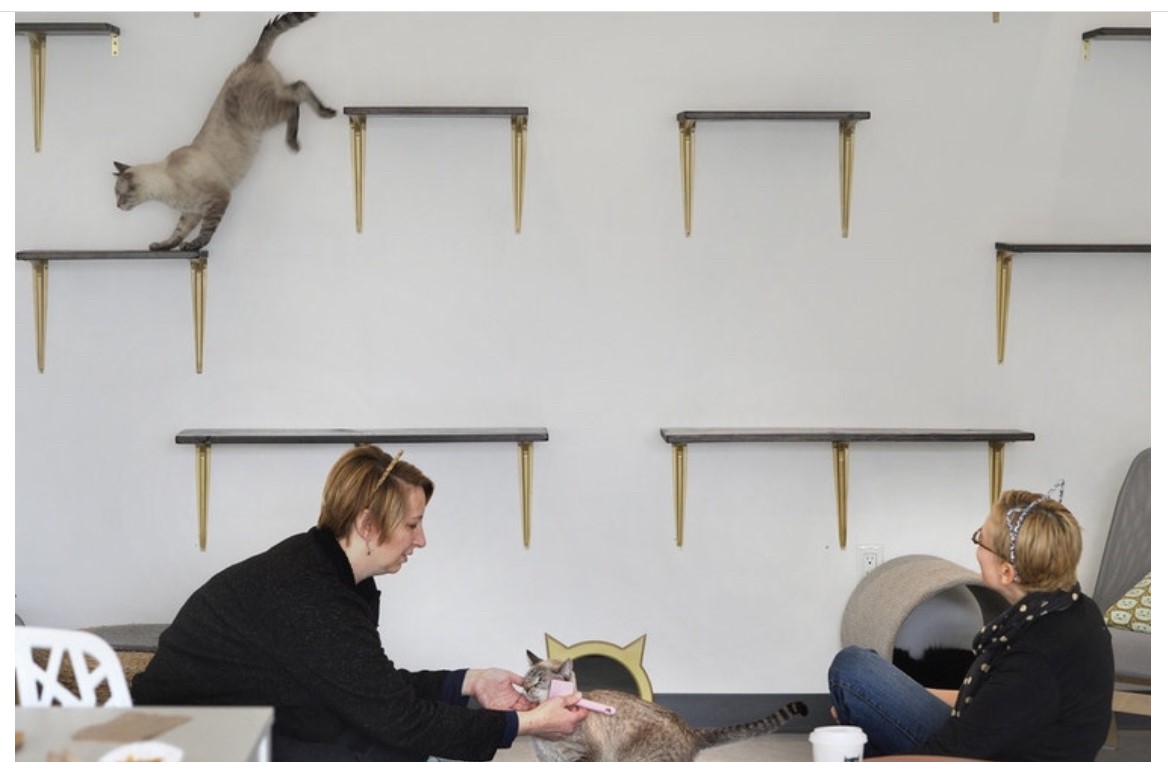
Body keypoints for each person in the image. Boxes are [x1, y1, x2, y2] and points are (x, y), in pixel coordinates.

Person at [132, 445, 587, 762]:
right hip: (181, 739)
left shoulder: (333, 576)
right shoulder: (308, 592)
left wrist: (473, 682)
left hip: (240, 722)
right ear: (368, 524)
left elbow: (371, 686)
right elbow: (398, 717)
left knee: (381, 741)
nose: (421, 540)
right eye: (412, 525)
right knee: (374, 745)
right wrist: (528, 726)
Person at [827, 481, 1115, 762]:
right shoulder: (1076, 608)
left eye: (981, 539)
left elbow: (951, 753)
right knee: (858, 675)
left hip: (976, 754)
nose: (976, 547)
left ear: (1006, 572)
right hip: (995, 742)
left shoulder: (1036, 656)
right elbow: (991, 706)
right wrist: (878, 703)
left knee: (851, 670)